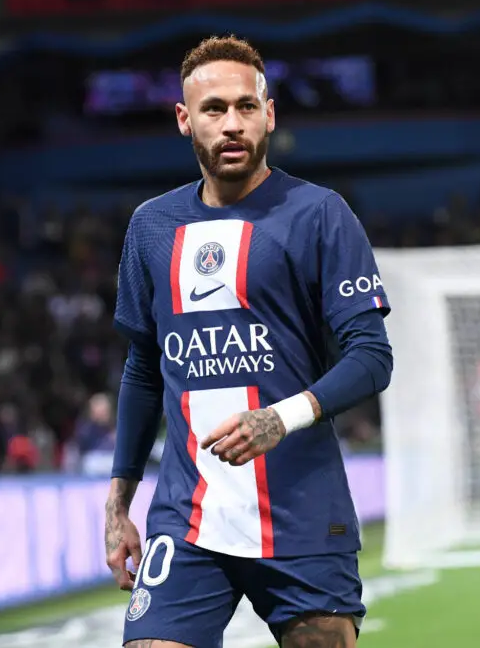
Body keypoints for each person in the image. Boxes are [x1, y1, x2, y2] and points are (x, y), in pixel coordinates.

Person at [104, 35, 393, 648]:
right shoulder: (151, 226)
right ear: (184, 120)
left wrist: (278, 419)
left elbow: (372, 357)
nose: (232, 124)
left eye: (246, 106)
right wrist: (118, 502)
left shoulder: (319, 213)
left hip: (300, 509)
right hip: (188, 515)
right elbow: (143, 369)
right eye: (213, 109)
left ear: (270, 114)